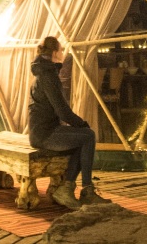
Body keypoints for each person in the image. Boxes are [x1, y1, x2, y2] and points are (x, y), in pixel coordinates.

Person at [28, 35, 112, 209]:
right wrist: (81, 123)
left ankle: (67, 190)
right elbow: (61, 110)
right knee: (88, 135)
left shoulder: (45, 72)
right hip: (45, 134)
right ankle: (86, 191)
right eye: (61, 49)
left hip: (45, 130)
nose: (63, 52)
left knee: (81, 140)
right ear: (55, 52)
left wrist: (78, 125)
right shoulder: (48, 76)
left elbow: (59, 109)